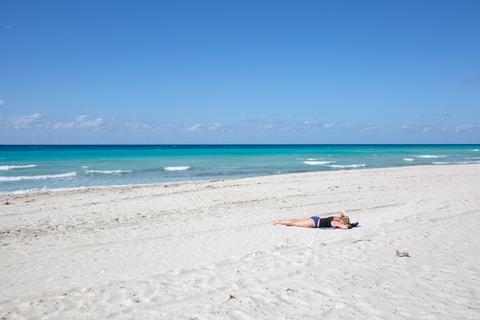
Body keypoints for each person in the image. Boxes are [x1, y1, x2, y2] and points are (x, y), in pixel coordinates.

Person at [274, 213, 353, 229]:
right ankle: (279, 222)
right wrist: (349, 225)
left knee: (297, 221)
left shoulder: (335, 218)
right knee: (295, 223)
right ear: (342, 221)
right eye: (345, 222)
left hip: (316, 218)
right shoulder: (336, 222)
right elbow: (345, 227)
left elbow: (343, 222)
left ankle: (282, 221)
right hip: (314, 223)